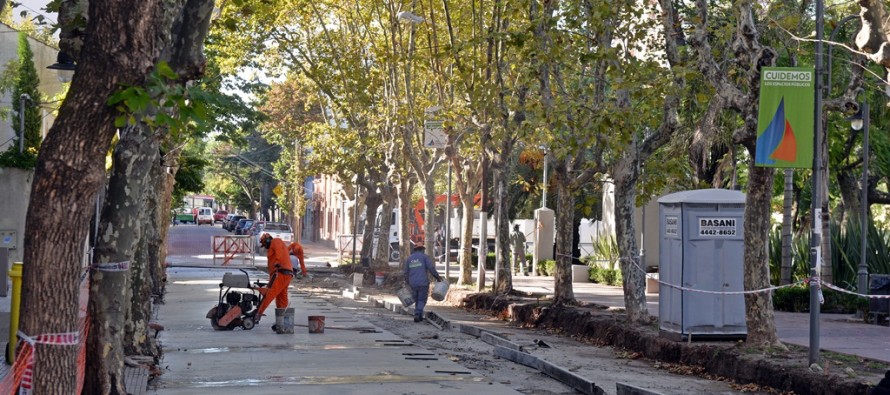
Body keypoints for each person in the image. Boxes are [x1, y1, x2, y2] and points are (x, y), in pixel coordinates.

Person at [254, 233, 294, 327]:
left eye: (264, 243)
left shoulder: (276, 241)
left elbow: (279, 252)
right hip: (285, 273)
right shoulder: (273, 245)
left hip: (281, 272)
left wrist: (277, 262)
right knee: (281, 297)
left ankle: (257, 314)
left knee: (269, 294)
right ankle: (282, 321)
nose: (265, 246)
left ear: (268, 240)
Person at [403, 243, 442, 323]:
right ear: (422, 249)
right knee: (421, 300)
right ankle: (417, 314)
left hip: (413, 283)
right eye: (423, 250)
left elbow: (406, 272)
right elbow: (431, 268)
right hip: (423, 283)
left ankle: (419, 315)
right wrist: (437, 277)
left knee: (417, 299)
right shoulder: (424, 257)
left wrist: (408, 282)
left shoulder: (409, 259)